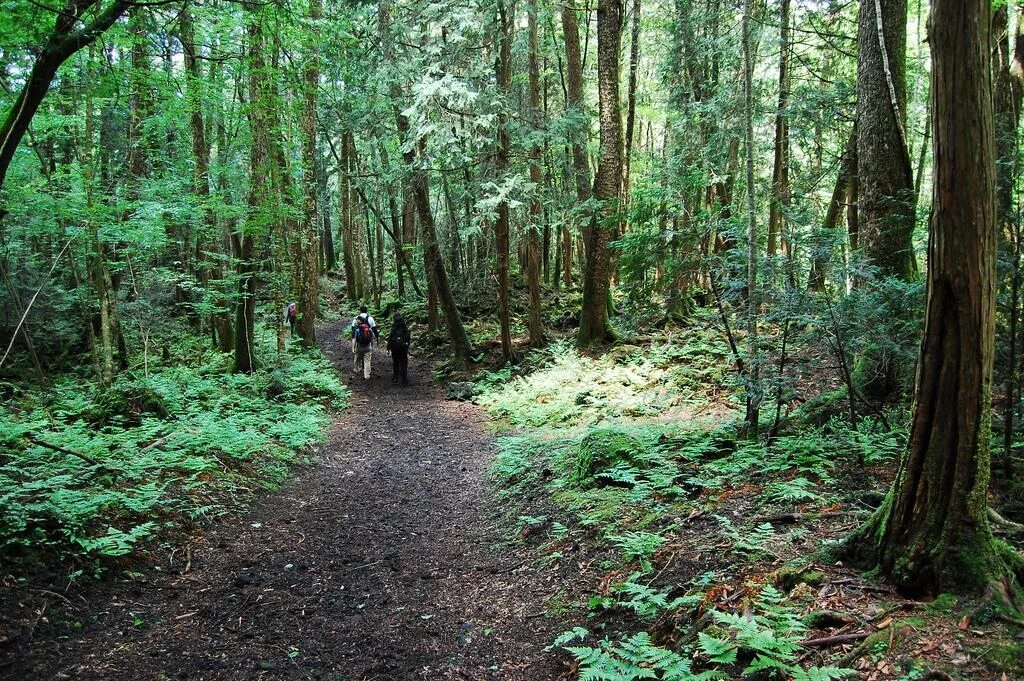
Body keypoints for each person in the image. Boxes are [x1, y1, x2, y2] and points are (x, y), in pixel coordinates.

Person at [350, 306, 377, 380]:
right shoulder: (370, 320)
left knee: (357, 358)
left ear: (360, 310)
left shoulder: (356, 324)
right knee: (367, 361)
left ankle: (357, 370)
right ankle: (367, 375)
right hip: (368, 346)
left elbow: (354, 336)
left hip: (360, 346)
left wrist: (353, 347)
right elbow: (374, 333)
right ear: (367, 310)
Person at [386, 313, 411, 385]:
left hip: (395, 348)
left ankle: (395, 378)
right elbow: (408, 337)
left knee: (396, 363)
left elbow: (390, 338)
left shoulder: (394, 327)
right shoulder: (404, 327)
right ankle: (404, 380)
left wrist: (388, 348)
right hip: (403, 348)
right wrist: (407, 346)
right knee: (404, 363)